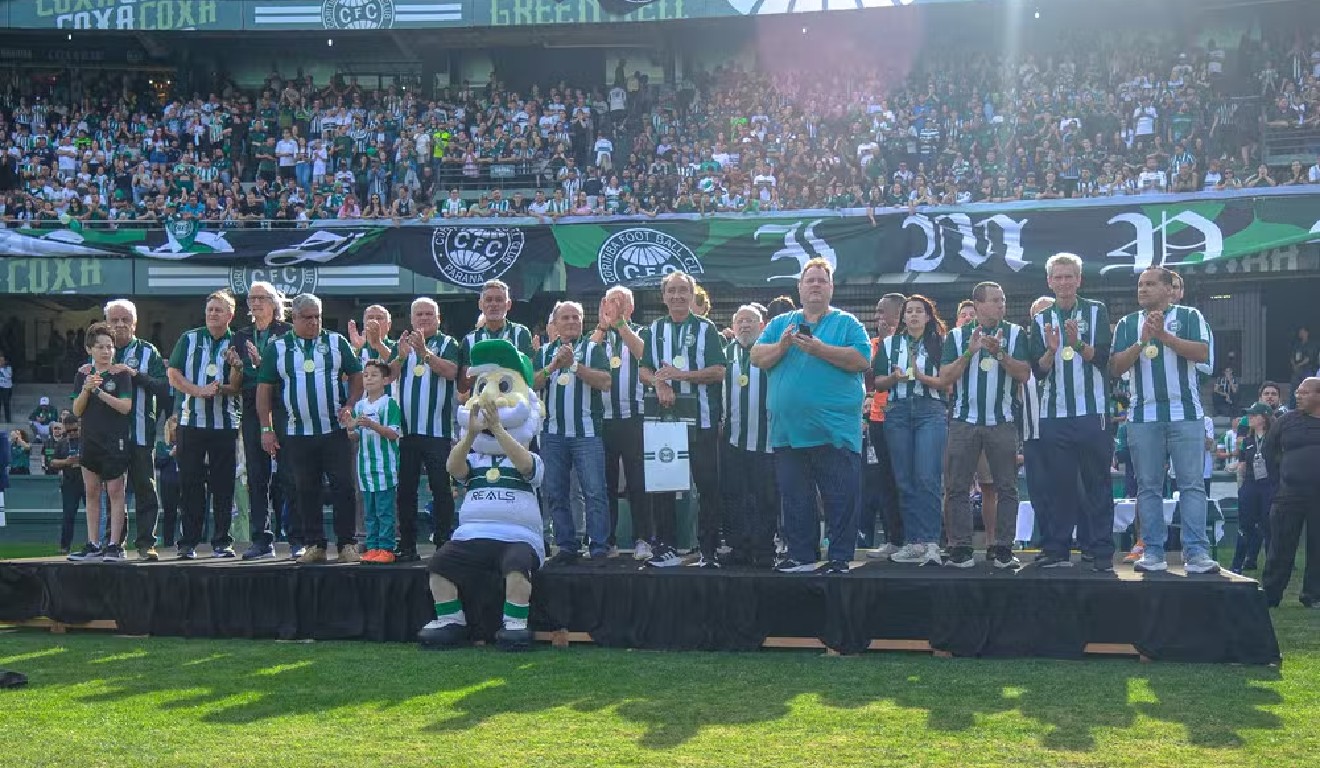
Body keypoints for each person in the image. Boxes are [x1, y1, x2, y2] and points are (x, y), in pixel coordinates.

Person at [751, 260, 869, 573]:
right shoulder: (781, 324)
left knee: (840, 500)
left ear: (831, 288)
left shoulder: (847, 323)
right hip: (788, 433)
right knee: (795, 500)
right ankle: (801, 556)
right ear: (799, 288)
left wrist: (819, 349)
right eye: (810, 280)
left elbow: (861, 360)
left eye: (821, 280)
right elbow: (757, 357)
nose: (815, 285)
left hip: (834, 432)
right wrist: (783, 345)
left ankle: (840, 558)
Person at [1110, 267, 1217, 574]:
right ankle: (1153, 551)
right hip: (1143, 417)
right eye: (1140, 284)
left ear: (1170, 289)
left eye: (1150, 284)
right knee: (1148, 487)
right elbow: (1116, 367)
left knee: (1192, 486)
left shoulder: (1190, 315)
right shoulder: (1129, 324)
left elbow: (1202, 353)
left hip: (1186, 414)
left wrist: (1164, 337)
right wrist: (1143, 341)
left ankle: (1196, 552)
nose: (1142, 289)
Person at [256, 293, 363, 564]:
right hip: (297, 433)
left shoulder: (336, 342)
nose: (314, 322)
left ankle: (347, 543)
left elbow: (357, 375)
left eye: (318, 316)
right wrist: (266, 428)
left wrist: (350, 404)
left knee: (343, 487)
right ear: (294, 318)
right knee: (305, 489)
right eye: (308, 317)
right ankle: (315, 544)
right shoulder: (277, 347)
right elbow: (264, 390)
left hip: (334, 431)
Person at [932, 282, 1032, 568]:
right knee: (956, 487)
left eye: (1002, 299)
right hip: (964, 421)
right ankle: (961, 547)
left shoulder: (1015, 333)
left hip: (1001, 421)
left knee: (1007, 487)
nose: (1001, 305)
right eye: (994, 300)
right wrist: (969, 352)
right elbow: (945, 377)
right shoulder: (956, 335)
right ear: (977, 305)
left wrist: (1000, 354)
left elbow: (1024, 374)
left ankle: (1002, 547)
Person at [1028, 253, 1114, 569]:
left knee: (1097, 483)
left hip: (1093, 412)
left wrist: (1077, 343)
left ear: (1079, 279)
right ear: (1049, 281)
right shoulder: (1040, 319)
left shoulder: (1097, 311)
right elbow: (1036, 371)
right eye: (1058, 277)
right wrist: (1051, 351)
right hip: (1054, 414)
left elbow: (1104, 358)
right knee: (1059, 486)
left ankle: (1101, 550)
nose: (1064, 282)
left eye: (1070, 276)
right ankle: (1057, 549)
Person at [641, 271, 728, 568]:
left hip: (702, 422)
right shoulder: (653, 330)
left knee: (707, 487)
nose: (677, 296)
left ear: (692, 295)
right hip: (665, 422)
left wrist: (682, 376)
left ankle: (708, 551)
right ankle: (664, 548)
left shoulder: (707, 329)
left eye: (683, 291)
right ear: (663, 296)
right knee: (663, 485)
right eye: (672, 291)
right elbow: (644, 369)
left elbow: (719, 370)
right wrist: (660, 383)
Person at [871, 295, 949, 566]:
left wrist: (924, 377)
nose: (914, 315)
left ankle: (930, 542)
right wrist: (893, 378)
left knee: (927, 476)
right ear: (903, 317)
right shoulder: (890, 344)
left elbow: (949, 383)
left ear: (928, 317)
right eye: (909, 311)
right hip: (898, 410)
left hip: (931, 409)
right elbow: (877, 382)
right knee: (903, 479)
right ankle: (912, 541)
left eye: (919, 311)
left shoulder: (941, 342)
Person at [167, 290, 244, 560]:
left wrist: (230, 375)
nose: (213, 313)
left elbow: (238, 386)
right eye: (210, 309)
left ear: (230, 314)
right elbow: (173, 374)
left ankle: (222, 541)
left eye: (219, 310)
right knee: (190, 484)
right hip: (191, 423)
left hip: (225, 424)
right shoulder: (189, 338)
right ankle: (188, 542)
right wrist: (198, 390)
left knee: (223, 486)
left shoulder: (238, 341)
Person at [534, 301, 612, 563]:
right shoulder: (544, 352)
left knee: (594, 491)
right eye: (565, 318)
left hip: (587, 434)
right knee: (555, 491)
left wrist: (575, 366)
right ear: (555, 324)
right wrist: (554, 366)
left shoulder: (593, 349)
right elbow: (530, 382)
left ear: (582, 322)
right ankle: (567, 546)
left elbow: (605, 382)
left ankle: (599, 545)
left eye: (575, 317)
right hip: (552, 434)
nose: (570, 322)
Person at [388, 297, 461, 561]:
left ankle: (444, 543)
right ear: (411, 319)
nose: (424, 319)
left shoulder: (448, 343)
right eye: (419, 314)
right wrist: (400, 355)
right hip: (407, 432)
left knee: (441, 488)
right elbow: (389, 375)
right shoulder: (403, 343)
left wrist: (425, 354)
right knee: (405, 491)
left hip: (437, 432)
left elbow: (452, 372)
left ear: (438, 319)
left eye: (429, 314)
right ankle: (407, 545)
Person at [101, 299, 169, 560]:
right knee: (114, 491)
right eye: (114, 320)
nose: (119, 325)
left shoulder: (148, 352)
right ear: (106, 323)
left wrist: (133, 374)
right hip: (109, 435)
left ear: (135, 323)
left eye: (125, 320)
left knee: (145, 489)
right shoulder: (100, 350)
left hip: (141, 432)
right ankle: (114, 543)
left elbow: (163, 387)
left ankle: (145, 543)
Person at [588, 287, 652, 559]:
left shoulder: (642, 332)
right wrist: (603, 327)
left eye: (621, 302)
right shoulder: (597, 335)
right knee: (605, 484)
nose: (615, 306)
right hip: (602, 420)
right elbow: (584, 358)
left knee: (639, 482)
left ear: (631, 308)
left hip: (634, 418)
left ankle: (644, 539)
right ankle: (607, 541)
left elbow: (644, 355)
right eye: (611, 301)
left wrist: (621, 325)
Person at [232, 282, 295, 560]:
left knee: (290, 475)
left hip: (283, 407)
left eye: (261, 298)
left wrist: (263, 364)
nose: (255, 303)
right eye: (251, 298)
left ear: (274, 303)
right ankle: (261, 539)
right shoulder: (241, 336)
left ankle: (297, 538)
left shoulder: (287, 333)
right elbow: (236, 380)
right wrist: (237, 367)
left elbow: (292, 372)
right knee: (257, 476)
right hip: (251, 408)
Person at [67, 323, 134, 562]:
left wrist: (99, 392)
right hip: (90, 439)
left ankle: (115, 544)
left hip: (114, 440)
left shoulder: (121, 374)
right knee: (92, 491)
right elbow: (76, 410)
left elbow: (126, 407)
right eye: (100, 347)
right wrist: (86, 390)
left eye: (110, 346)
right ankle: (93, 543)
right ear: (89, 349)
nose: (106, 351)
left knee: (116, 491)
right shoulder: (82, 374)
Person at [721, 305, 777, 567]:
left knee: (765, 497)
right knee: (735, 496)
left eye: (750, 321)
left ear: (762, 325)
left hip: (766, 439)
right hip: (733, 439)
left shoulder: (769, 352)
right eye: (740, 321)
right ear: (733, 327)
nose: (745, 326)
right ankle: (739, 548)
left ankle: (765, 548)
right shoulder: (724, 354)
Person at [1261, 377, 1320, 608]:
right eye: (1297, 392)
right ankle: (1271, 594)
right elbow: (1269, 451)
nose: (1298, 395)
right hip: (1289, 493)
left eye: (1304, 392)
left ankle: (1313, 595)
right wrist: (1280, 481)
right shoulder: (1286, 421)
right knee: (1281, 546)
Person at [346, 360, 402, 563]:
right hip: (365, 467)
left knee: (384, 510)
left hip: (384, 466)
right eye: (366, 375)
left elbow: (394, 433)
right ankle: (372, 547)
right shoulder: (359, 405)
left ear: (385, 380)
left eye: (374, 375)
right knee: (368, 511)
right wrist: (351, 427)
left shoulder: (390, 404)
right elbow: (354, 436)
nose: (368, 379)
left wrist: (372, 424)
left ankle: (387, 548)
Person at [862, 293, 905, 556]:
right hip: (878, 419)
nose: (878, 317)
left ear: (898, 313)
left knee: (910, 479)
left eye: (882, 311)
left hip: (908, 419)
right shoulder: (874, 344)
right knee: (886, 480)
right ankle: (894, 539)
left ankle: (921, 539)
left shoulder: (913, 342)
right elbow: (868, 379)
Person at [1020, 296, 1054, 552]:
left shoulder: (1067, 348)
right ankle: (1046, 542)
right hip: (1033, 433)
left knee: (1070, 491)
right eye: (1038, 316)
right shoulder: (1022, 349)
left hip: (1065, 432)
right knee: (1039, 493)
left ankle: (1073, 540)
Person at [459, 280, 535, 390]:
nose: (493, 304)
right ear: (481, 304)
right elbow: (463, 385)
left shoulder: (521, 333)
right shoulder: (469, 340)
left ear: (508, 304)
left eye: (499, 300)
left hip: (512, 403)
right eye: (488, 300)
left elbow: (529, 374)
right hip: (482, 403)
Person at [1232, 403, 1276, 574]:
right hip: (1250, 485)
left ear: (1264, 418)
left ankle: (1273, 566)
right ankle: (1237, 564)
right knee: (1244, 525)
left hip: (1269, 486)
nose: (1249, 418)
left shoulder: (1274, 439)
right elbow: (1243, 462)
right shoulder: (1248, 441)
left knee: (1269, 526)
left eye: (1253, 415)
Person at [48, 418, 84, 554]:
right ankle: (65, 545)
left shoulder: (86, 441)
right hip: (70, 482)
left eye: (75, 430)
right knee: (68, 515)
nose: (73, 433)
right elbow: (52, 462)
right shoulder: (62, 443)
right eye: (69, 431)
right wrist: (67, 461)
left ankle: (96, 543)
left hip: (87, 481)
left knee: (95, 514)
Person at [155, 415, 181, 549]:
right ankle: (168, 542)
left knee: (187, 512)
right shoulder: (161, 445)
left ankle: (185, 540)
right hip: (168, 482)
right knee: (169, 513)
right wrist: (170, 454)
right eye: (173, 429)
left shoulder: (185, 444)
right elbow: (158, 462)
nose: (175, 432)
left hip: (182, 481)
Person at [1289, 327, 1316, 409]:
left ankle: (1309, 406)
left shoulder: (1311, 345)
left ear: (1307, 332)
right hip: (1296, 371)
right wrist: (1294, 365)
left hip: (1307, 370)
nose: (1300, 333)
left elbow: (1309, 358)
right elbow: (1292, 356)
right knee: (1294, 389)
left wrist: (1299, 365)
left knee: (1308, 388)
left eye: (1302, 331)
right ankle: (1292, 407)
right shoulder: (1297, 344)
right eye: (1300, 331)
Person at [0, 351, 12, 422]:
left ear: (5, 361)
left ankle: (8, 419)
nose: (1, 362)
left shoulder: (8, 368)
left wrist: (3, 369)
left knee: (6, 403)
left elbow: (9, 376)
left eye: (2, 360)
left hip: (6, 388)